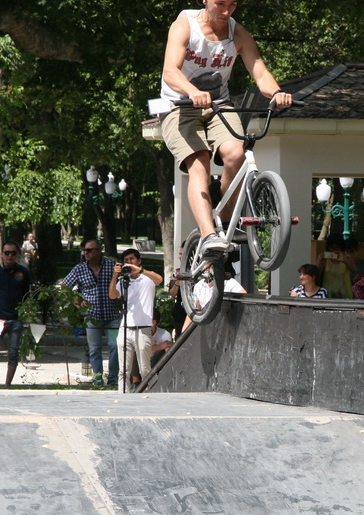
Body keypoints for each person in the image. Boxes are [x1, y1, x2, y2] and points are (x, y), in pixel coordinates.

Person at [160, 0, 293, 257]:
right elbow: (169, 72)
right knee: (199, 162)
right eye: (219, 4)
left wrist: (276, 93)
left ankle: (223, 220)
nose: (226, 12)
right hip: (178, 106)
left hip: (219, 105)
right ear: (205, 1)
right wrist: (193, 91)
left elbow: (260, 72)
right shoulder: (185, 25)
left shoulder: (238, 33)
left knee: (236, 154)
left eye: (232, 5)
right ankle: (209, 235)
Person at [61, 240, 120, 386]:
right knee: (95, 349)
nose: (86, 253)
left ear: (99, 250)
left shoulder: (112, 265)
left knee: (116, 346)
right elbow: (64, 286)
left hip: (112, 314)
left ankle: (113, 378)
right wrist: (77, 302)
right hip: (91, 317)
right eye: (84, 250)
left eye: (89, 250)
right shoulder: (79, 269)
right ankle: (98, 379)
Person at [108, 248, 163, 392]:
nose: (129, 263)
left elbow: (159, 279)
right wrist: (115, 276)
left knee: (145, 369)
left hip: (143, 328)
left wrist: (139, 270)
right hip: (125, 327)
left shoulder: (147, 278)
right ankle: (122, 397)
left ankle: (149, 396)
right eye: (126, 261)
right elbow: (113, 295)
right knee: (123, 370)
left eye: (132, 259)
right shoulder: (123, 280)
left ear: (139, 261)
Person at [0, 241, 31, 387]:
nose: (10, 256)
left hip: (15, 319)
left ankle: (7, 384)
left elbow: (26, 294)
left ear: (18, 255)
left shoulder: (23, 272)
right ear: (2, 254)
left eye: (13, 253)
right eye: (7, 253)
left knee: (13, 352)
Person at [317, 233, 354, 299]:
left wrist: (344, 260)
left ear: (341, 247)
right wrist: (320, 263)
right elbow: (316, 274)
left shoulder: (347, 258)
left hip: (344, 294)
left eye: (336, 248)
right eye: (331, 247)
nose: (334, 250)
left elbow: (354, 270)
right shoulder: (325, 259)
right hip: (328, 294)